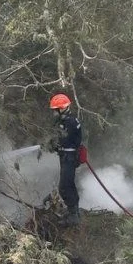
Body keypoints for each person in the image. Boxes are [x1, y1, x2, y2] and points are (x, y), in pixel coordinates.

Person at [48, 92, 82, 227]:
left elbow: (65, 139)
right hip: (65, 156)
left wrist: (54, 143)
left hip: (69, 157)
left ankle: (74, 216)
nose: (54, 113)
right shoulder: (65, 121)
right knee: (70, 185)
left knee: (64, 187)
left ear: (62, 108)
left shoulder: (70, 122)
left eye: (56, 110)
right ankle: (74, 211)